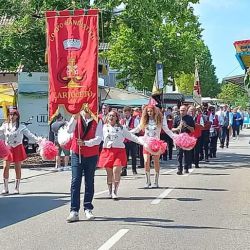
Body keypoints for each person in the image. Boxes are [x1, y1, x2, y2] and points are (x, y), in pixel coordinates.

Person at [66, 108, 103, 222]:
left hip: (91, 154)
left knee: (89, 181)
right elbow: (69, 130)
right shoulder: (77, 117)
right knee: (75, 180)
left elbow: (98, 138)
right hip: (77, 153)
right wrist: (74, 117)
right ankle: (74, 210)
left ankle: (88, 208)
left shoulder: (98, 119)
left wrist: (86, 143)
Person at [98, 110, 144, 199]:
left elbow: (131, 137)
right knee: (109, 173)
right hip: (107, 151)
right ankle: (110, 192)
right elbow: (96, 137)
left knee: (116, 171)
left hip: (119, 151)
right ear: (107, 117)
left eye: (113, 116)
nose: (111, 117)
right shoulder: (103, 127)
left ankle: (115, 191)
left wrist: (143, 142)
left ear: (117, 118)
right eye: (109, 116)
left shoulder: (122, 128)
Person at [131, 105, 174, 188]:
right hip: (146, 143)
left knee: (156, 162)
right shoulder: (144, 120)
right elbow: (137, 129)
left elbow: (167, 130)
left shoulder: (159, 120)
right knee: (146, 161)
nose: (149, 113)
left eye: (151, 111)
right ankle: (148, 181)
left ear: (154, 111)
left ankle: (156, 181)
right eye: (148, 111)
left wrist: (175, 137)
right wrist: (127, 133)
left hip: (156, 144)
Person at [0, 108, 41, 194]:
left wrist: (39, 140)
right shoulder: (5, 125)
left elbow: (29, 135)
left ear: (17, 116)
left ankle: (16, 188)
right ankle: (5, 188)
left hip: (17, 147)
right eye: (10, 114)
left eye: (13, 114)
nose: (11, 116)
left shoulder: (21, 126)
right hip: (8, 147)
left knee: (17, 168)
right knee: (5, 167)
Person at [173, 105, 195, 175]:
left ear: (186, 111)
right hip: (179, 137)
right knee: (179, 154)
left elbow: (193, 130)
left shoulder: (190, 118)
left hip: (187, 137)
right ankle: (179, 169)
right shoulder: (176, 118)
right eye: (181, 110)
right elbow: (172, 129)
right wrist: (178, 128)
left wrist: (186, 126)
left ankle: (186, 167)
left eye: (183, 110)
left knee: (187, 154)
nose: (182, 112)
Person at [120, 106, 140, 175]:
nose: (126, 114)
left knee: (133, 156)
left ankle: (134, 169)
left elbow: (137, 130)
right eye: (125, 113)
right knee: (124, 156)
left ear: (130, 113)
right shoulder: (121, 121)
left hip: (132, 140)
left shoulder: (135, 120)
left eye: (127, 113)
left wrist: (130, 129)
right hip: (124, 141)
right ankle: (124, 170)